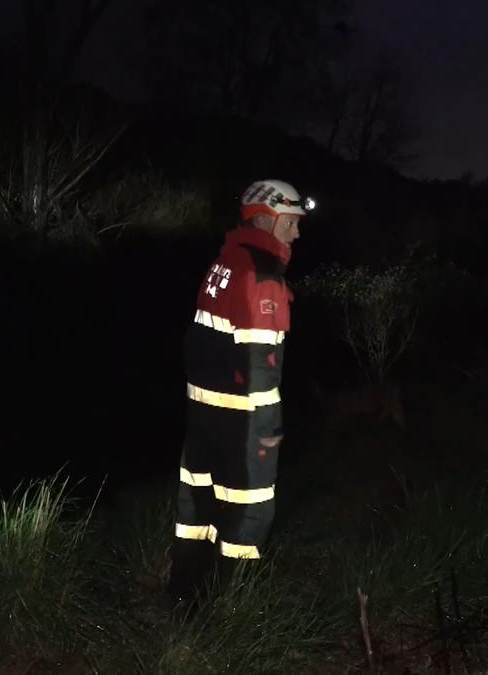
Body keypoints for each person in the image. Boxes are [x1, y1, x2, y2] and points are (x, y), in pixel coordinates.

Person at [167, 179, 314, 608]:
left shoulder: (222, 264)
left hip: (203, 416)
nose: (297, 234)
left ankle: (184, 598)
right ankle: (235, 612)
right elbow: (260, 370)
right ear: (267, 219)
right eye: (292, 223)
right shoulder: (262, 278)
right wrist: (273, 430)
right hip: (245, 423)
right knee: (249, 512)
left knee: (198, 506)